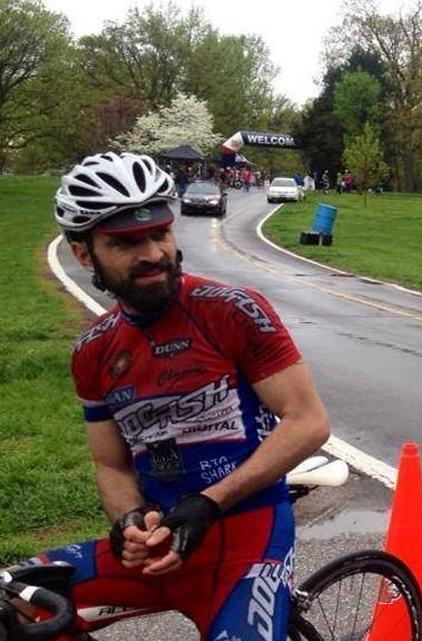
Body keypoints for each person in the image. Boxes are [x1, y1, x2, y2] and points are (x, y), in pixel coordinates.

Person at [30, 151, 331, 641]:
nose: (152, 253)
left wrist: (210, 503)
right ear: (85, 255)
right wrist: (128, 521)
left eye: (159, 233)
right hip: (160, 545)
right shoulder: (91, 350)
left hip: (245, 536)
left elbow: (308, 421)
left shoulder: (233, 310)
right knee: (15, 595)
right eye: (125, 242)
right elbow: (111, 465)